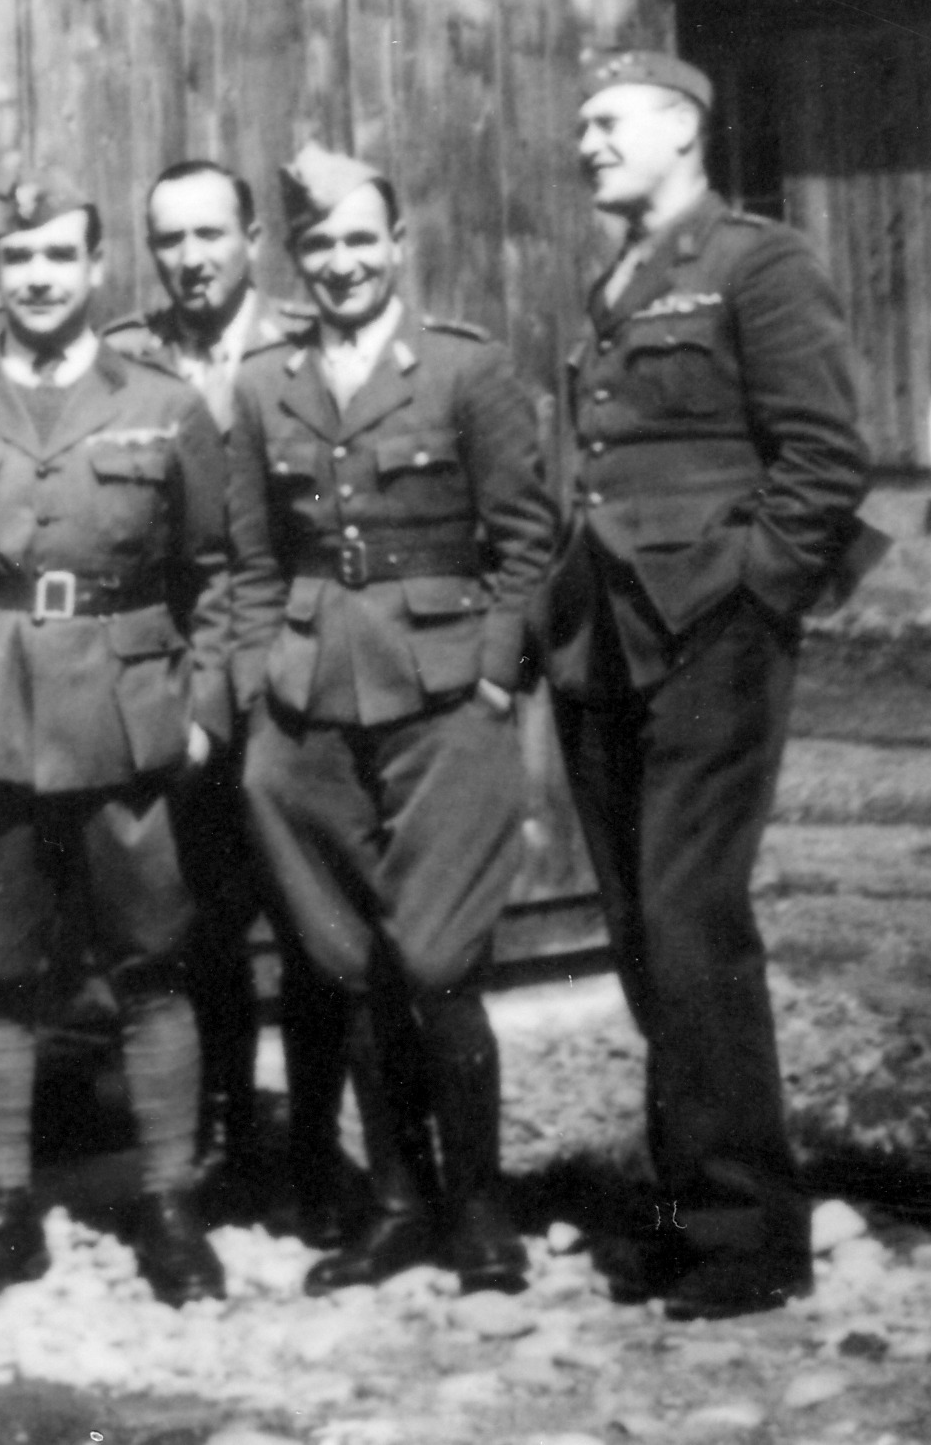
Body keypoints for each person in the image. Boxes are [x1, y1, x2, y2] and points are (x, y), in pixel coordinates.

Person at [0, 170, 268, 1308]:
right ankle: (3, 1211)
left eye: (57, 258)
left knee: (151, 962)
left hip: (127, 717)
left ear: (95, 269)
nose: (37, 278)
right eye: (17, 259)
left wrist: (203, 711)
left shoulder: (163, 404)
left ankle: (170, 1205)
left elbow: (218, 574)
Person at [531, 50, 870, 1319]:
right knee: (639, 928)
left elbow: (824, 457)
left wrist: (751, 595)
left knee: (688, 920)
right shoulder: (616, 280)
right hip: (607, 633)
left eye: (608, 122)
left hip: (708, 634)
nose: (586, 144)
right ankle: (683, 1210)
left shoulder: (757, 263)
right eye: (581, 126)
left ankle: (746, 1234)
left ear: (683, 129)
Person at [227, 148, 560, 1296]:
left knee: (434, 957)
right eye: (318, 245)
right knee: (350, 959)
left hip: (443, 695)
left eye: (360, 240)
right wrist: (256, 693)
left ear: (398, 246)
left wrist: (497, 678)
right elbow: (252, 560)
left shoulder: (464, 368)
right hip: (309, 701)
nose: (341, 263)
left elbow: (528, 542)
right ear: (294, 258)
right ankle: (396, 1204)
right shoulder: (264, 385)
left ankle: (479, 1207)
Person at [105, 160, 341, 1225]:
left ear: (252, 239)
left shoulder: (307, 339)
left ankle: (313, 1152)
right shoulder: (124, 356)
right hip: (180, 671)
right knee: (198, 918)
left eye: (211, 235)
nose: (191, 259)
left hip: (294, 668)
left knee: (307, 919)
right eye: (170, 240)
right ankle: (223, 1137)